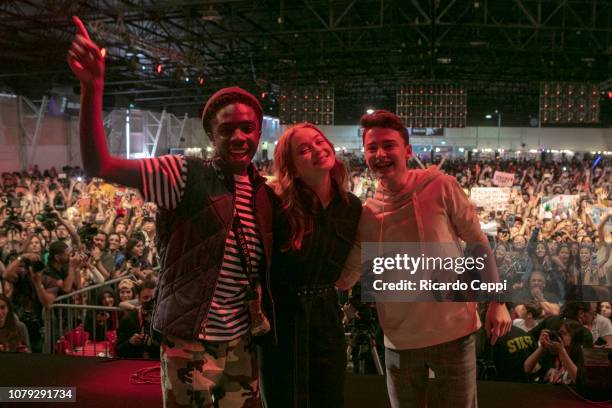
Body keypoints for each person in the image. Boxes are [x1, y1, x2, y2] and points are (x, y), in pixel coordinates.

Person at [68, 16, 275, 406]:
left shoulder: (263, 194)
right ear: (211, 136)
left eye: (247, 128)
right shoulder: (182, 174)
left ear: (259, 134)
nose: (238, 137)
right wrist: (92, 88)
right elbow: (101, 166)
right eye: (227, 129)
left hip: (241, 343)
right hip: (190, 341)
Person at [337, 110, 511, 408]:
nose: (380, 154)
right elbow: (347, 276)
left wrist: (498, 301)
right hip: (399, 343)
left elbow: (477, 242)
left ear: (407, 150)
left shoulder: (441, 186)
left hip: (454, 333)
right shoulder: (367, 214)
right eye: (372, 147)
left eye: (388, 145)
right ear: (364, 155)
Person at [259, 124, 361, 407]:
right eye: (304, 150)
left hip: (326, 320)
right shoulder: (274, 202)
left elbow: (350, 270)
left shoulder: (351, 206)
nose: (316, 150)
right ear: (290, 165)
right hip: (281, 320)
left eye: (319, 142)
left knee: (328, 398)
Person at [523, 319, 585, 385]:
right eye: (559, 333)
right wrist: (542, 347)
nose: (559, 336)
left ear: (575, 337)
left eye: (563, 333)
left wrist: (562, 351)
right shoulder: (552, 351)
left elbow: (578, 381)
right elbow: (527, 368)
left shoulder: (581, 355)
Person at [116, 278, 160, 359]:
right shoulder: (128, 319)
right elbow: (118, 350)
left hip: (157, 365)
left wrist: (152, 343)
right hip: (134, 364)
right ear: (139, 299)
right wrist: (130, 342)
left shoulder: (162, 319)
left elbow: (169, 350)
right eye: (145, 298)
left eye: (153, 298)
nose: (150, 301)